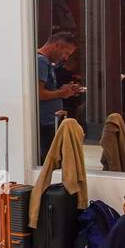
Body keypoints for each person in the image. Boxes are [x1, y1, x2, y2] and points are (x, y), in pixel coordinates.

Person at [37, 31, 81, 159]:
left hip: (51, 120)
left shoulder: (46, 63)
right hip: (46, 122)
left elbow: (46, 90)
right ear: (57, 46)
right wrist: (61, 93)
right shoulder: (41, 62)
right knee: (51, 159)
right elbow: (39, 94)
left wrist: (62, 91)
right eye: (66, 53)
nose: (66, 58)